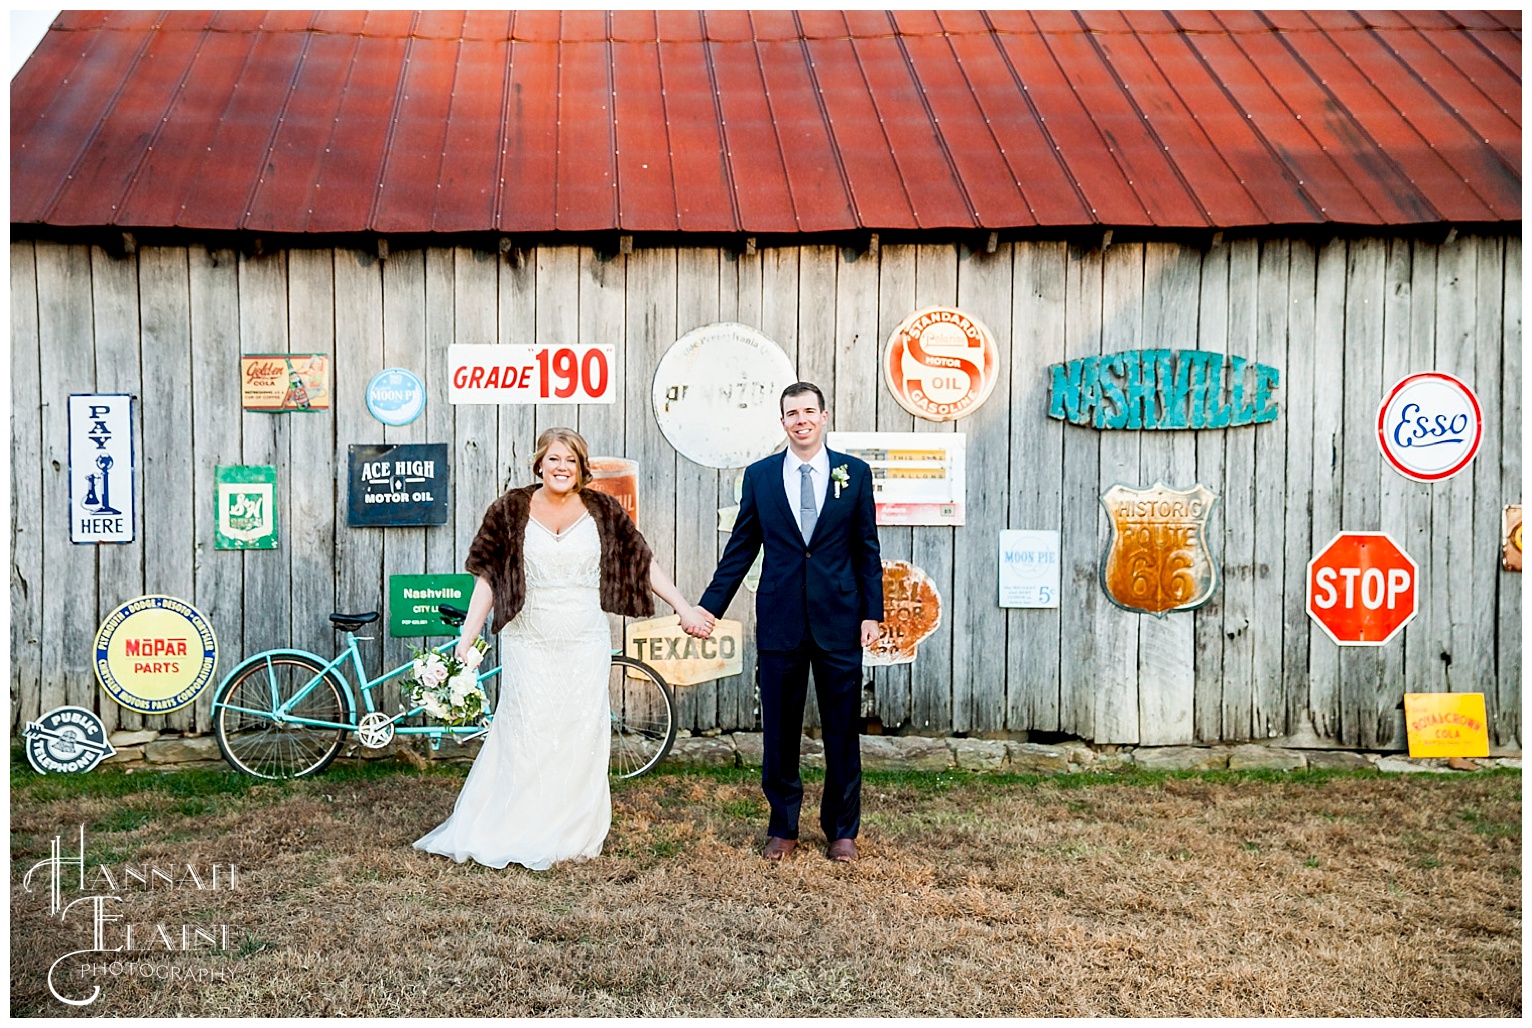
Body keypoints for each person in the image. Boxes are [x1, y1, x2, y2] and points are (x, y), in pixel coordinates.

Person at [414, 427, 711, 870]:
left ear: (581, 467)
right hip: (527, 640)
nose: (561, 467)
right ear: (539, 463)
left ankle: (570, 829)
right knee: (525, 730)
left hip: (583, 640)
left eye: (570, 460)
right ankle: (514, 824)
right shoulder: (510, 509)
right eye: (554, 459)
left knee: (578, 730)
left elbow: (643, 563)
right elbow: (488, 577)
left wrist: (685, 608)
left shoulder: (603, 510)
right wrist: (469, 634)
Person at [692, 383, 883, 862]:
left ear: (823, 416)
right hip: (780, 620)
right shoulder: (759, 478)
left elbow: (867, 550)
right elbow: (740, 550)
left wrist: (871, 612)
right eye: (791, 413)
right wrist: (709, 608)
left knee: (842, 729)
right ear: (782, 422)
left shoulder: (853, 474)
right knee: (779, 731)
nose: (800, 419)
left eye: (808, 411)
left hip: (839, 621)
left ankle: (842, 831)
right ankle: (783, 826)